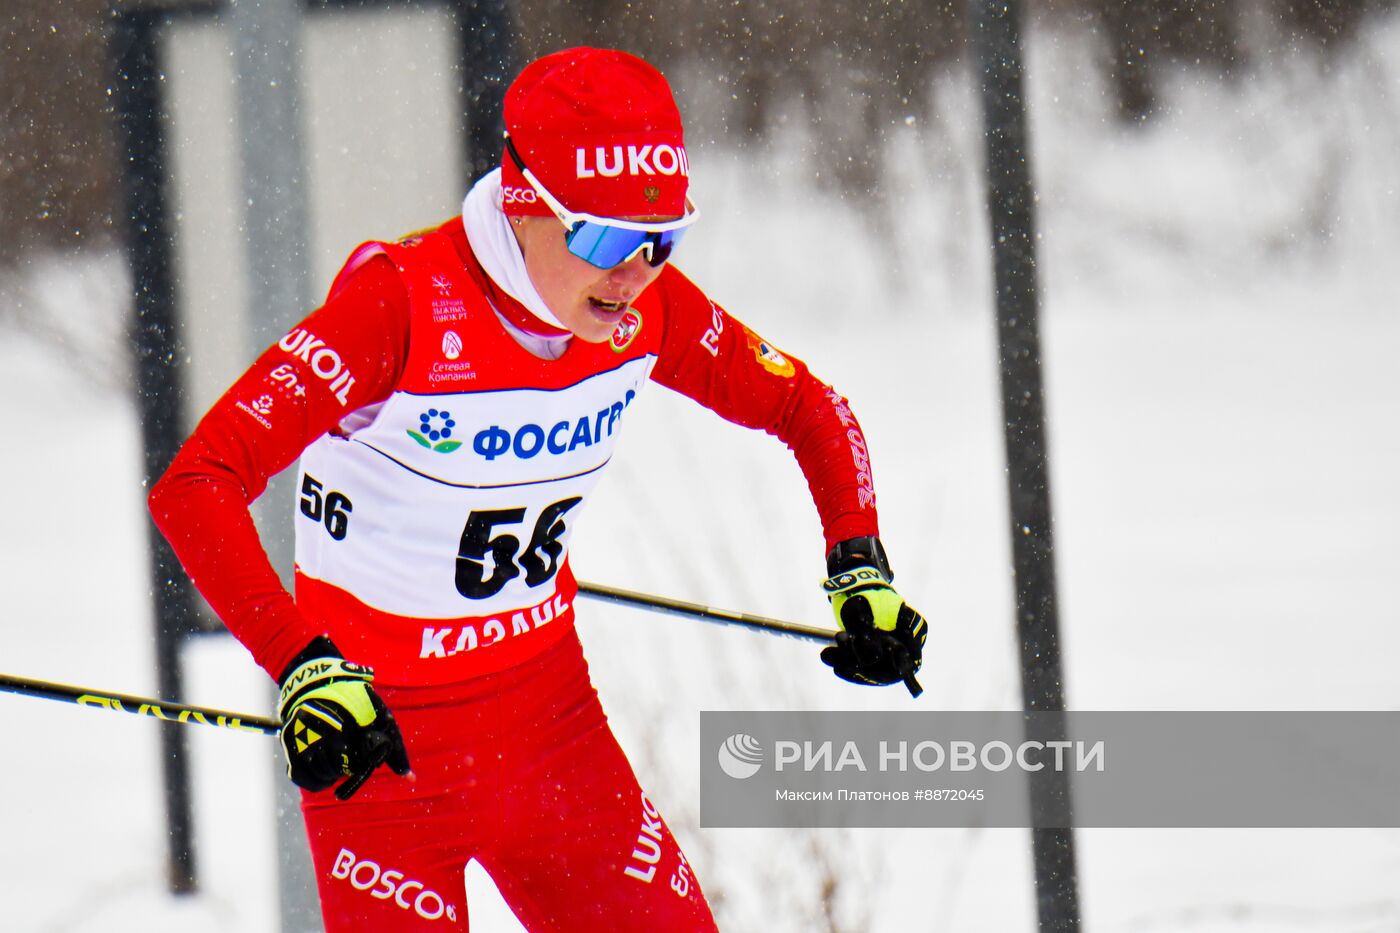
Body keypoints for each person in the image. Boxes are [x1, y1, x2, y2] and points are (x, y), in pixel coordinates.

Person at [149, 46, 926, 931]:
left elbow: (807, 406)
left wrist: (858, 563)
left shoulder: (645, 311)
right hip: (381, 750)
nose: (632, 274)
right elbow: (197, 482)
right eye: (603, 239)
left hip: (552, 734)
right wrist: (301, 662)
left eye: (661, 240)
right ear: (524, 205)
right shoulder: (400, 307)